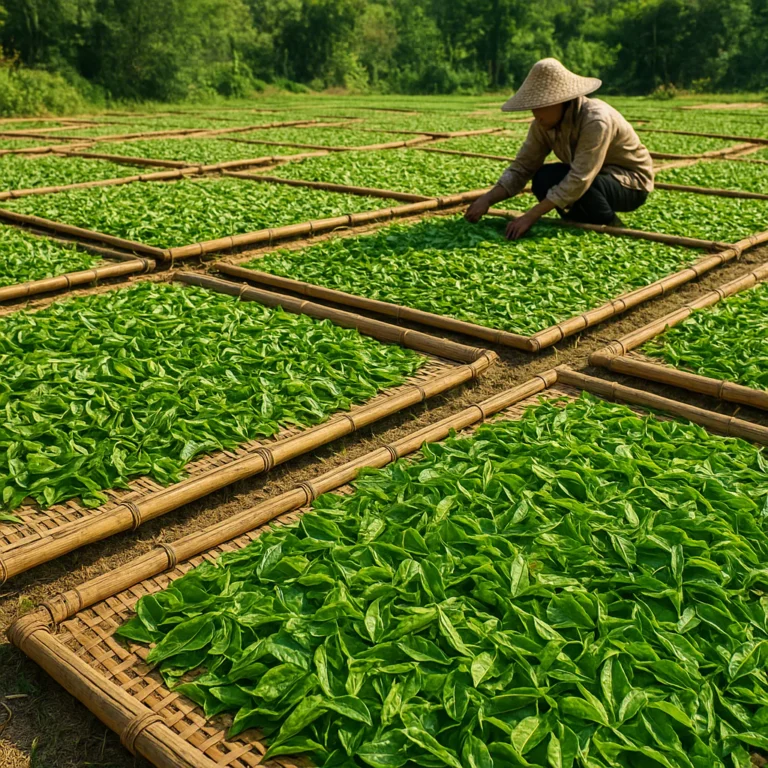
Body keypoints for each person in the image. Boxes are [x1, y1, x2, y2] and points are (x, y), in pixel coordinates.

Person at [465, 58, 654, 239]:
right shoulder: (542, 125)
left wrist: (531, 215)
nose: (535, 114)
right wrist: (487, 200)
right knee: (543, 178)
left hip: (630, 183)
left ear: (561, 101)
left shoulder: (596, 120)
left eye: (541, 106)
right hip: (595, 177)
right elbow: (523, 167)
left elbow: (581, 178)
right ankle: (579, 220)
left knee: (583, 186)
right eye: (533, 107)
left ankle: (610, 224)